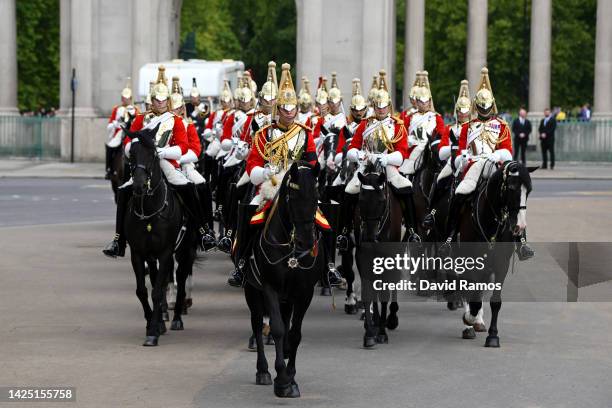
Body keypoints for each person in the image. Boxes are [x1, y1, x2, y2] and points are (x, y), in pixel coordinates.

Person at [102, 66, 213, 258]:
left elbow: (183, 147)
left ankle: (203, 232)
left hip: (167, 163)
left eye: (163, 100)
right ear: (151, 100)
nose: (160, 103)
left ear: (167, 100)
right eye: (156, 100)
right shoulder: (141, 119)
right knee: (123, 191)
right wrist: (135, 150)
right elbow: (128, 143)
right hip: (144, 164)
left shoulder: (175, 121)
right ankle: (118, 240)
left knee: (187, 188)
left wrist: (161, 152)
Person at [230, 63, 319, 286]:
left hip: (297, 185)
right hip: (270, 184)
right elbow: (252, 166)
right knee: (251, 214)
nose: (289, 114)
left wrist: (303, 172)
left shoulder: (304, 133)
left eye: (293, 109)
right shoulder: (264, 134)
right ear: (277, 109)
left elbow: (312, 160)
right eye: (285, 109)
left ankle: (327, 267)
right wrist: (265, 171)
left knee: (323, 219)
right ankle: (242, 263)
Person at [442, 67, 533, 260]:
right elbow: (460, 152)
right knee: (460, 193)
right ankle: (449, 237)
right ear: (476, 105)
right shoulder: (468, 126)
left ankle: (522, 243)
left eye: (487, 106)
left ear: (492, 105)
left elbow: (508, 150)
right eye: (481, 106)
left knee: (512, 194)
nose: (484, 110)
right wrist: (463, 157)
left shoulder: (502, 125)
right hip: (474, 165)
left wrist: (496, 155)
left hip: (494, 164)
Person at [344, 69, 420, 242]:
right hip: (366, 166)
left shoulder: (397, 125)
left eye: (383, 106)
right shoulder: (365, 124)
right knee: (349, 191)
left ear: (389, 106)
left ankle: (411, 230)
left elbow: (402, 153)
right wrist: (360, 155)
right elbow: (352, 148)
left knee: (406, 188)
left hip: (388, 166)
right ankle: (345, 232)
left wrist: (386, 158)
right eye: (377, 106)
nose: (380, 109)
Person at [422, 79, 471, 229]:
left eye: (465, 111)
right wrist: (453, 148)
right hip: (453, 161)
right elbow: (442, 151)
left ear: (470, 111)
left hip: (471, 160)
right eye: (460, 111)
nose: (462, 114)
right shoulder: (450, 128)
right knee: (439, 180)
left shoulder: (474, 127)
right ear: (456, 112)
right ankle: (432, 212)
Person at [399, 70, 446, 176]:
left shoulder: (436, 117)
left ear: (429, 101)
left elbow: (441, 135)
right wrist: (408, 140)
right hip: (412, 148)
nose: (424, 104)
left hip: (429, 149)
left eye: (426, 101)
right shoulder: (409, 117)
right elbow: (402, 134)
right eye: (421, 101)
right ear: (417, 101)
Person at [105, 78, 138, 180]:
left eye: (127, 97)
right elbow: (109, 125)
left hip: (130, 132)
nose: (125, 99)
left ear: (130, 98)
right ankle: (110, 169)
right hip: (119, 132)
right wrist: (116, 123)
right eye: (123, 97)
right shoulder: (117, 109)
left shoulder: (135, 109)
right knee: (110, 147)